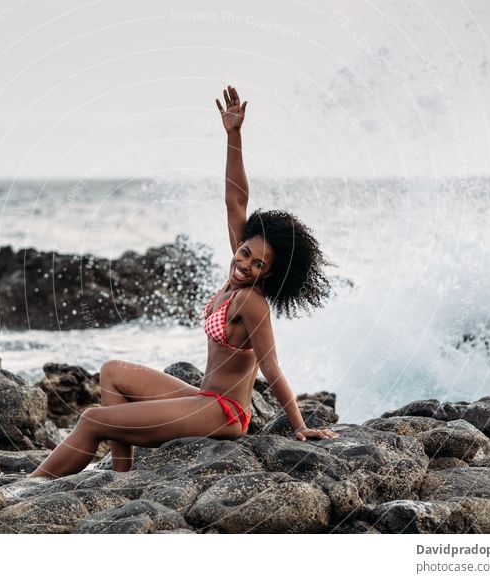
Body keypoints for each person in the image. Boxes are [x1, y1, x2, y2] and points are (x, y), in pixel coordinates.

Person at [29, 85, 339, 479]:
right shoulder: (238, 274)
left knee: (92, 418)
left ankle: (28, 488)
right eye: (244, 252)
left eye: (258, 264)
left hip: (224, 414)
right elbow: (236, 200)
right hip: (204, 398)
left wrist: (299, 425)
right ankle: (122, 473)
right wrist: (234, 136)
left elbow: (271, 368)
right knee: (111, 371)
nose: (244, 264)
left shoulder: (252, 303)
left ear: (270, 273)